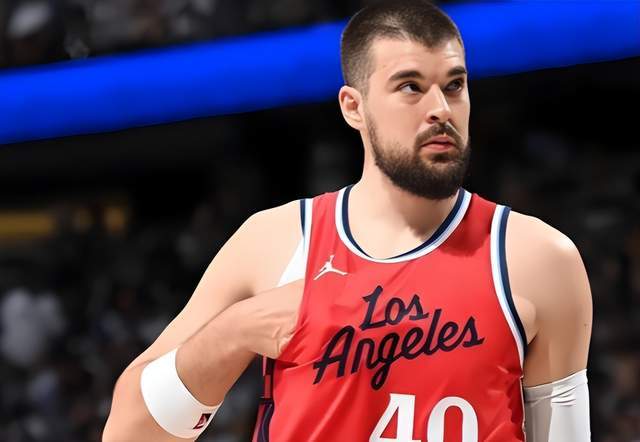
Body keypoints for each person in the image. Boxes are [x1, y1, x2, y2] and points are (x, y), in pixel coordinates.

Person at [103, 1, 592, 441]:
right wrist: (233, 332)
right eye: (410, 87)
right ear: (354, 108)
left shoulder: (539, 259)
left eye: (454, 86)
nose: (440, 110)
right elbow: (131, 433)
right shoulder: (274, 240)